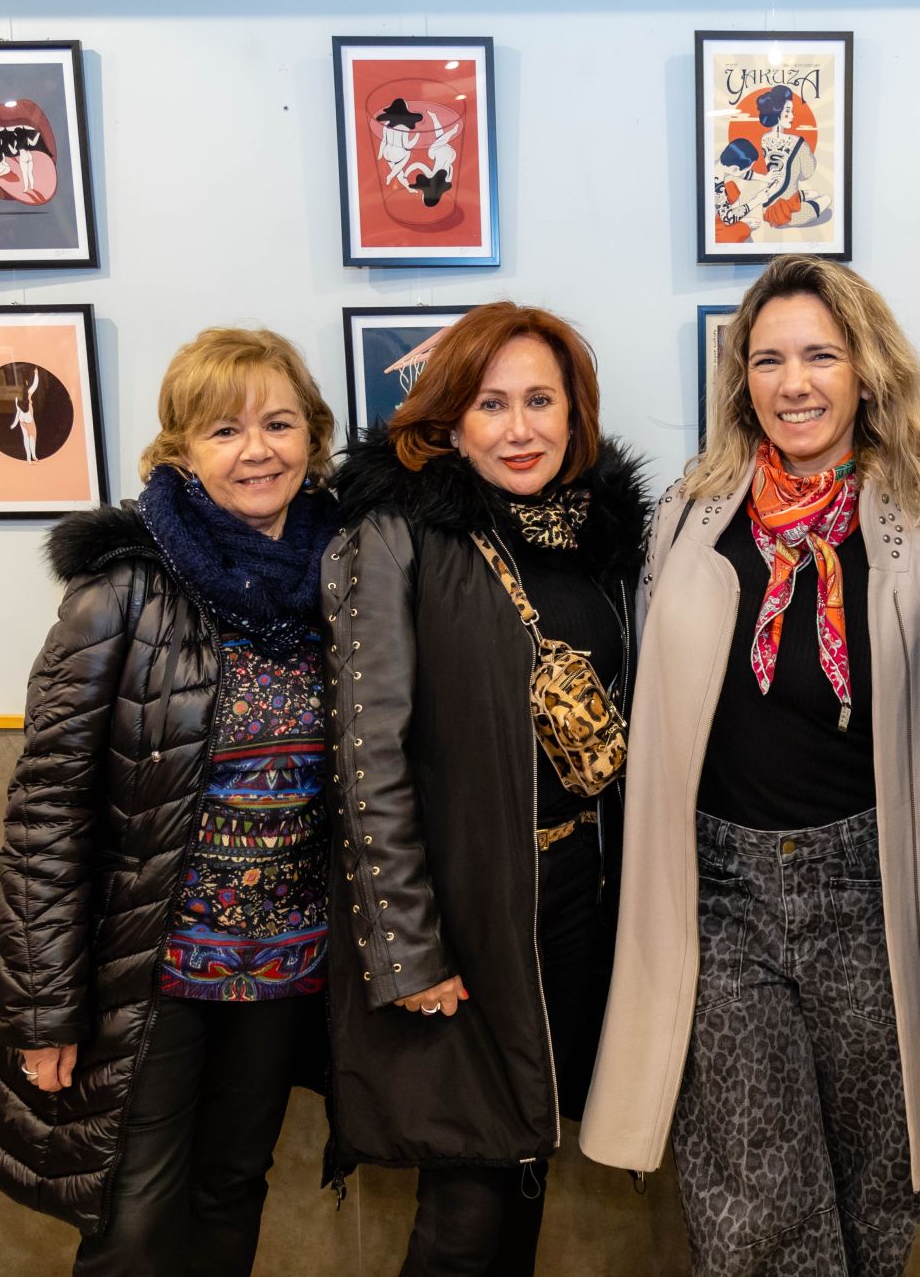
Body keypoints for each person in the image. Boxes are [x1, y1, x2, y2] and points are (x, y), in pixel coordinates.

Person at [581, 254, 920, 1276]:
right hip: (723, 893)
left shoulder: (918, 538)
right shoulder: (687, 521)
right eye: (769, 358)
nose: (794, 382)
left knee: (876, 1191)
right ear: (741, 380)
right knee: (755, 1205)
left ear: (866, 371)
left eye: (820, 355)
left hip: (866, 894)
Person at [0, 327, 345, 1274]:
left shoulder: (348, 578)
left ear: (315, 438)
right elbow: (47, 817)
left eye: (279, 424)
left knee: (231, 1191)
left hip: (285, 967)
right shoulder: (121, 592)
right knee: (132, 1222)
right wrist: (44, 1010)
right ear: (179, 451)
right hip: (151, 971)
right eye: (224, 431)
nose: (257, 450)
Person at [321, 302, 650, 1275]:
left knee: (518, 1164)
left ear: (574, 410)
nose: (519, 427)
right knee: (464, 1201)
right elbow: (364, 752)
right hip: (463, 918)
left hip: (572, 907)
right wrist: (409, 948)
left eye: (540, 399)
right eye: (490, 402)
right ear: (449, 420)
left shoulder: (595, 540)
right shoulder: (396, 536)